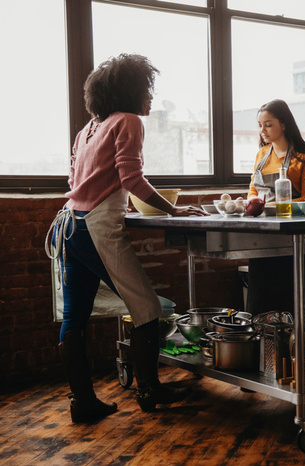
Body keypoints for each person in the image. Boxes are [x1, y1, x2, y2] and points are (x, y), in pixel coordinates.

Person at [45, 53, 208, 423]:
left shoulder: (87, 129)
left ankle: (83, 402)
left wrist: (120, 206)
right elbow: (131, 179)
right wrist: (174, 210)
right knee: (148, 309)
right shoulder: (129, 121)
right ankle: (150, 391)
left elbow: (79, 184)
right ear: (129, 91)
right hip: (97, 229)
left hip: (71, 225)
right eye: (146, 89)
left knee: (75, 317)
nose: (150, 97)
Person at [246, 99, 305, 315]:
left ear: (284, 124)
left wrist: (279, 206)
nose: (263, 131)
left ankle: (293, 346)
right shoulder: (261, 155)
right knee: (260, 302)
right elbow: (252, 190)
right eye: (260, 125)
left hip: (294, 237)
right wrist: (253, 204)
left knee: (291, 302)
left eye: (268, 125)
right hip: (262, 236)